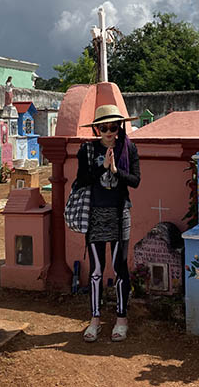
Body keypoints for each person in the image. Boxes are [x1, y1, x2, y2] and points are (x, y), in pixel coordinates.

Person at [78, 105, 140, 343]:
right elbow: (82, 180)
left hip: (119, 212)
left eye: (114, 127)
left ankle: (121, 319)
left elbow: (135, 181)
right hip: (95, 214)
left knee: (119, 268)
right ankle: (94, 319)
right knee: (96, 271)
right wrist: (101, 167)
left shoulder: (129, 148)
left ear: (120, 127)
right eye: (104, 128)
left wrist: (116, 170)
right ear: (96, 129)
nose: (109, 132)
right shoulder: (87, 150)